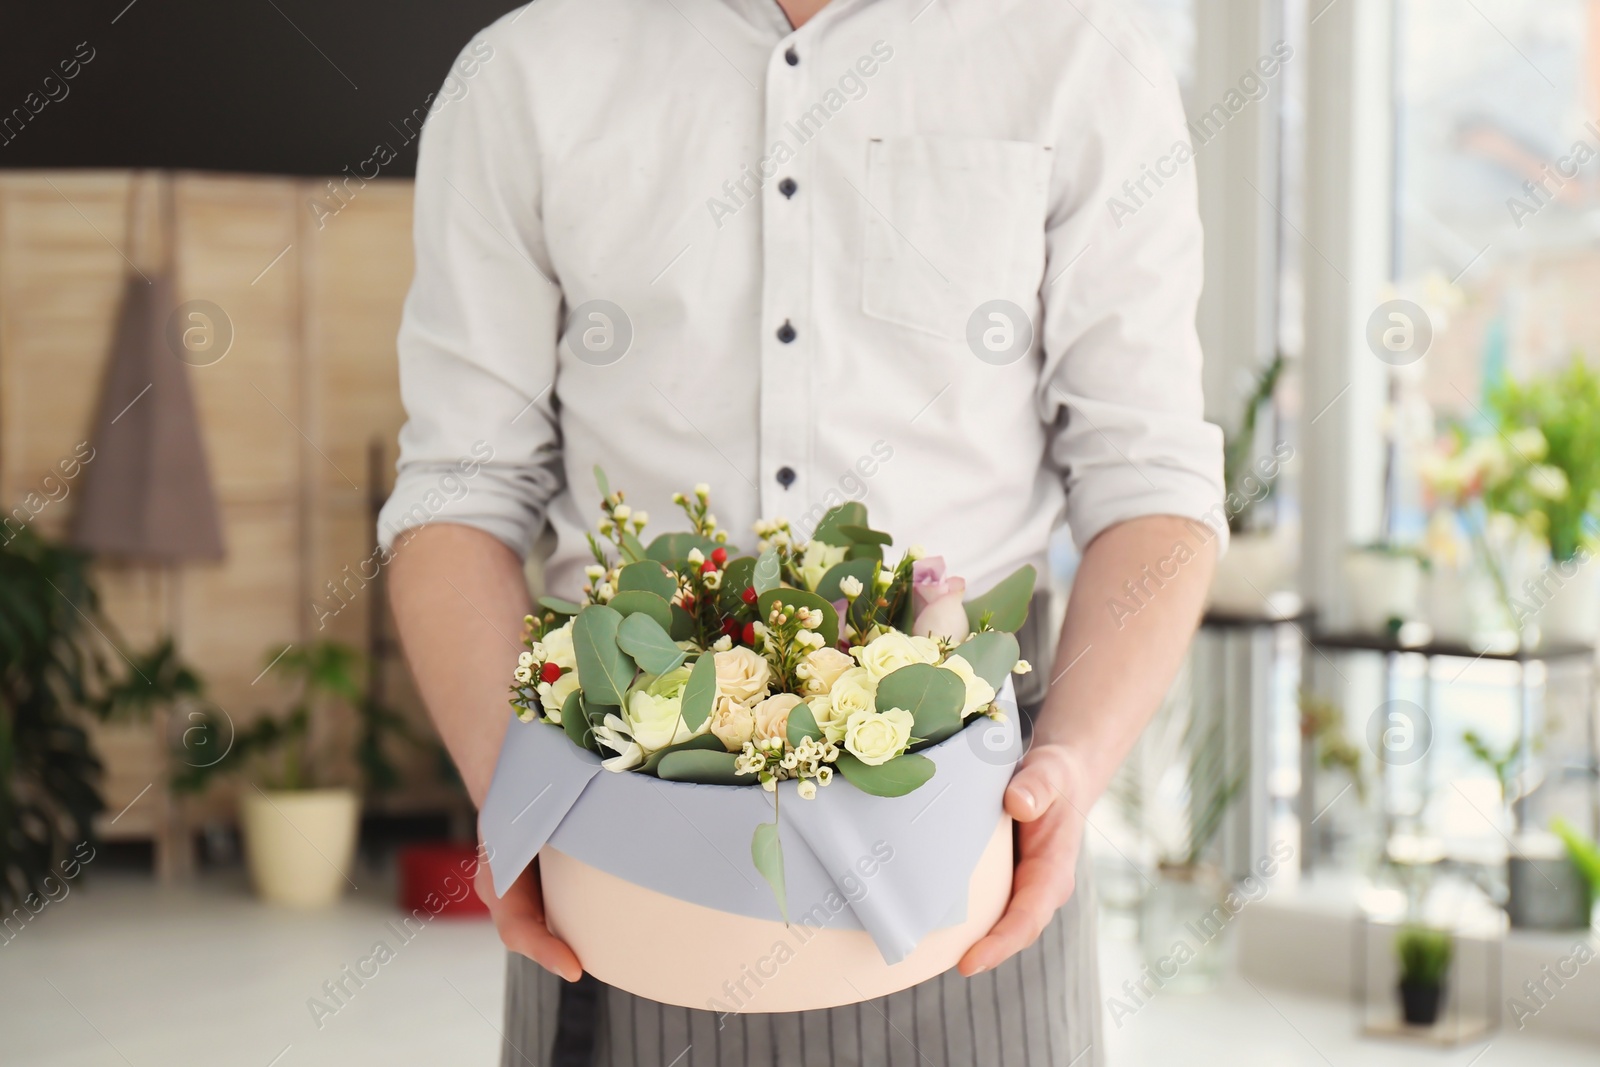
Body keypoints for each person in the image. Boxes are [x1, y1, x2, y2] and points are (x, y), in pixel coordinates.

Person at [382, 1, 1224, 1064]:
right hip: (623, 852)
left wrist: (1071, 764)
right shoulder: (523, 73)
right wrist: (522, 799)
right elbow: (457, 494)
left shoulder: (1079, 59)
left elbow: (1148, 481)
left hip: (968, 845)